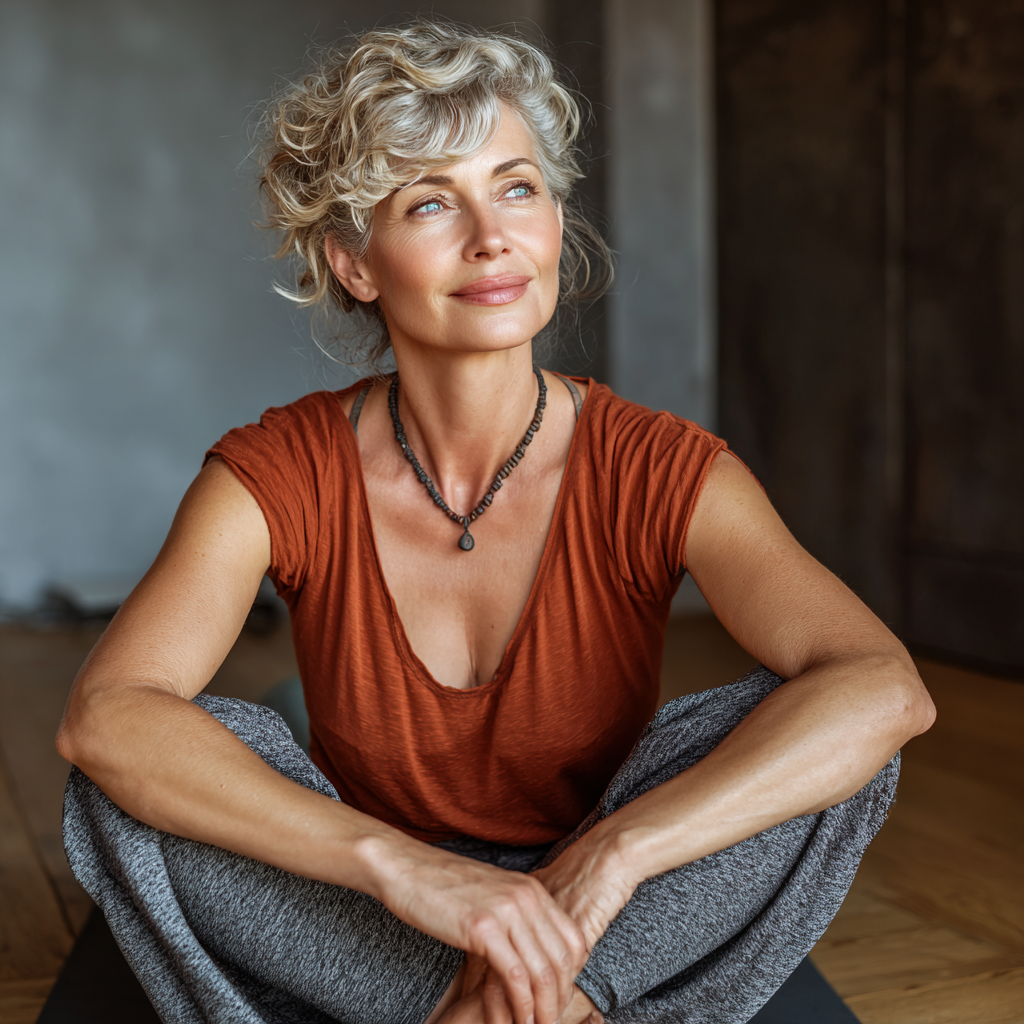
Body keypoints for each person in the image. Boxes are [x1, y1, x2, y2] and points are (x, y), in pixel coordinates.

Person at [56, 20, 935, 1024]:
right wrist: (398, 866)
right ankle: (525, 1007)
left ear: (555, 218)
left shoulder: (658, 465)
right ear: (354, 263)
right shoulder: (278, 471)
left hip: (604, 914)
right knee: (132, 771)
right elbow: (108, 714)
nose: (492, 237)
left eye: (517, 188)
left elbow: (883, 687)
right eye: (431, 202)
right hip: (379, 919)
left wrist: (615, 856)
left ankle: (528, 999)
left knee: (821, 735)